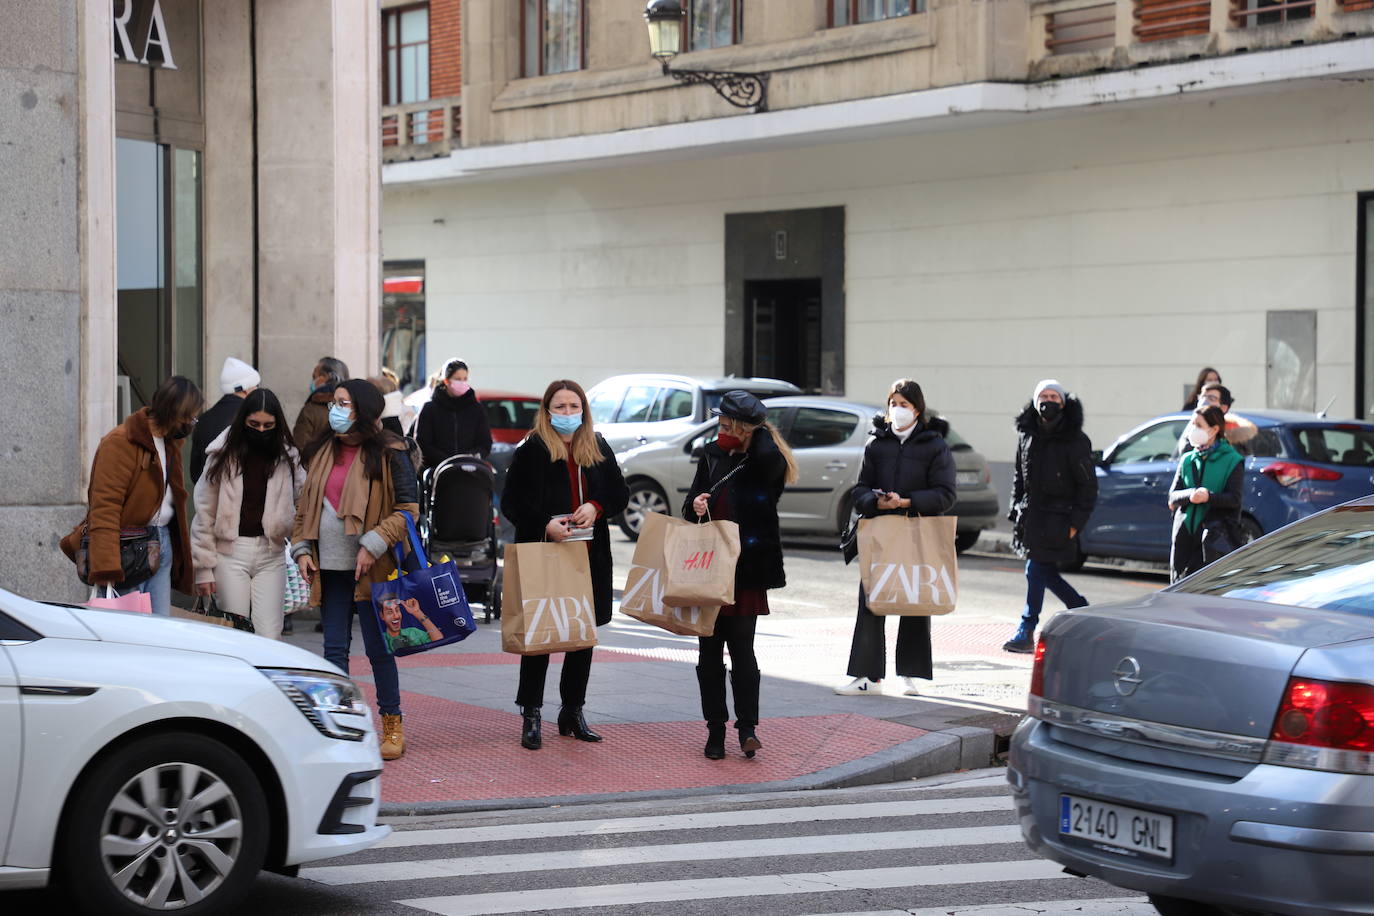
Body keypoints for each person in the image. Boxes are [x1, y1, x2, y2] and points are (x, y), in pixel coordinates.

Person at [290, 378, 419, 761]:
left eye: (344, 403)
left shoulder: (390, 451)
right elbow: (304, 507)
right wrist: (300, 549)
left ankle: (392, 723)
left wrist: (373, 542)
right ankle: (340, 723)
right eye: (335, 402)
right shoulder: (320, 451)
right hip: (329, 567)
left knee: (380, 649)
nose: (336, 409)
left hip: (374, 568)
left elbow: (408, 510)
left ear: (363, 409)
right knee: (333, 649)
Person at [500, 380, 629, 750]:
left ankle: (572, 711)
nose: (568, 414)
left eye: (575, 407)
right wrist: (545, 523)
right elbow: (512, 502)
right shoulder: (532, 449)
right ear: (547, 410)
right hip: (545, 551)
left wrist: (596, 506)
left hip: (587, 557)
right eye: (561, 407)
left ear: (584, 411)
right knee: (540, 638)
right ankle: (531, 713)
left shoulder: (597, 445)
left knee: (580, 638)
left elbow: (620, 492)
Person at [683, 390, 798, 760]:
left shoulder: (765, 460)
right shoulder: (713, 455)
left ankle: (747, 728)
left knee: (742, 650)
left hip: (746, 569)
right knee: (709, 653)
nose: (720, 429)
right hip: (709, 566)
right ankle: (714, 730)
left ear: (743, 428)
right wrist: (696, 504)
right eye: (720, 422)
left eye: (727, 424)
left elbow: (771, 471)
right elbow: (689, 506)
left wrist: (756, 438)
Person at [835, 379, 956, 697]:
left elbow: (945, 495)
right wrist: (876, 501)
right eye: (893, 403)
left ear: (918, 408)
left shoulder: (935, 445)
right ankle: (866, 676)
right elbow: (860, 488)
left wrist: (907, 501)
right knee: (872, 600)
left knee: (914, 600)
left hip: (917, 532)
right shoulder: (877, 444)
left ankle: (910, 676)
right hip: (881, 531)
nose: (897, 410)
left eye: (904, 404)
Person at [62, 377, 203, 615]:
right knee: (128, 632)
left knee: (158, 631)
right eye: (188, 417)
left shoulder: (170, 444)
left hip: (160, 541)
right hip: (126, 549)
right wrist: (106, 568)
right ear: (172, 412)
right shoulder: (120, 442)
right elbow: (105, 507)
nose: (191, 423)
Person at [191, 389, 305, 639]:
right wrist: (203, 569)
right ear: (243, 420)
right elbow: (204, 512)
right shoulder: (221, 454)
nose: (261, 430)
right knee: (235, 633)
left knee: (269, 634)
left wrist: (302, 547)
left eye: (268, 425)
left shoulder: (288, 456)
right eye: (254, 424)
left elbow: (303, 503)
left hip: (272, 553)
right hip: (230, 553)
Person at [1003, 380, 1098, 654]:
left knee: (1035, 569)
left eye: (1054, 396)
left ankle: (1026, 628)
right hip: (1031, 517)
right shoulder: (1026, 435)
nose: (1048, 400)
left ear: (1063, 402)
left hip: (1059, 518)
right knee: (1043, 571)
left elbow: (1088, 487)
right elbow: (1019, 478)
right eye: (1043, 396)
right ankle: (1080, 609)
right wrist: (1014, 511)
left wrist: (1075, 525)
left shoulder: (1076, 440)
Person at [1168, 406, 1244, 581]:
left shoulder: (1232, 460)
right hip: (1184, 536)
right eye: (1193, 424)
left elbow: (1234, 499)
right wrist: (1191, 494)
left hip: (1212, 539)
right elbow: (1172, 496)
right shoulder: (1188, 459)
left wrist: (1209, 497)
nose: (1193, 429)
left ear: (1215, 429)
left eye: (1198, 425)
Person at [190, 357, 260, 482]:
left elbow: (195, 471)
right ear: (245, 389)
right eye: (256, 386)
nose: (257, 390)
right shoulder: (252, 419)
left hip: (208, 495)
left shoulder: (204, 419)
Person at [415, 358, 492, 467]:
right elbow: (422, 443)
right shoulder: (430, 408)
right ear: (446, 381)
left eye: (465, 379)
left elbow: (485, 443)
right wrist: (448, 461)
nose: (462, 382)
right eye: (458, 379)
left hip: (469, 468)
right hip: (437, 469)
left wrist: (471, 456)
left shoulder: (476, 409)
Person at [293, 357, 349, 449]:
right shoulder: (354, 409)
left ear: (325, 377)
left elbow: (301, 446)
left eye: (314, 377)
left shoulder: (310, 411)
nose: (312, 381)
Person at [377, 594, 442, 651]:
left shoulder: (413, 632)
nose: (396, 616)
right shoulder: (380, 640)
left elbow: (438, 640)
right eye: (390, 612)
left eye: (397, 610)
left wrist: (417, 612)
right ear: (382, 616)